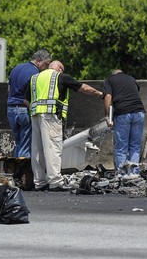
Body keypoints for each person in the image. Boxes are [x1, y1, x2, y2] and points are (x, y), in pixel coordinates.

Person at [28, 60, 103, 191]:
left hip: (35, 115)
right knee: (53, 148)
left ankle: (40, 182)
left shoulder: (35, 78)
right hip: (50, 115)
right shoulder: (59, 76)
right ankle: (55, 182)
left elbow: (26, 98)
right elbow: (83, 88)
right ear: (59, 68)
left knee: (37, 150)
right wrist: (100, 93)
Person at [7, 49, 52, 158]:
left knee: (18, 142)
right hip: (24, 111)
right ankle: (23, 172)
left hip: (10, 109)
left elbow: (9, 89)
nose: (46, 68)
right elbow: (33, 94)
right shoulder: (35, 73)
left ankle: (15, 172)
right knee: (26, 145)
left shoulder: (16, 68)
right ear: (39, 61)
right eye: (46, 64)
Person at [102, 69, 146, 178]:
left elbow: (108, 97)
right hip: (139, 112)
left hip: (123, 113)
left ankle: (122, 173)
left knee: (121, 146)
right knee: (135, 146)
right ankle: (134, 173)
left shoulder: (110, 80)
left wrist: (108, 116)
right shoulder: (131, 79)